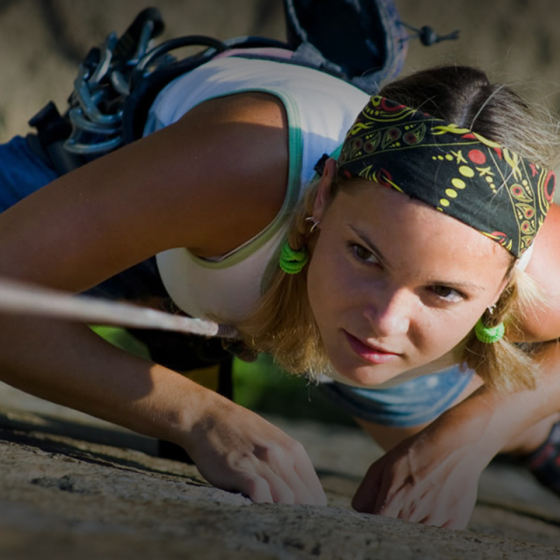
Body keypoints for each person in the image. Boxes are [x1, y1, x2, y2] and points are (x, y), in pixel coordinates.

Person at [0, 52, 559, 531]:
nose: (384, 321)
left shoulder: (541, 281)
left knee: (435, 431)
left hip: (272, 270)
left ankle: (540, 444)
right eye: (364, 255)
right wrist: (195, 416)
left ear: (504, 287)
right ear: (320, 200)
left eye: (441, 291)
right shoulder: (234, 168)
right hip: (137, 188)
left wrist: (466, 441)